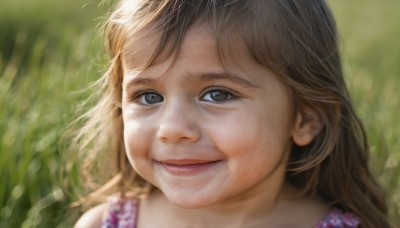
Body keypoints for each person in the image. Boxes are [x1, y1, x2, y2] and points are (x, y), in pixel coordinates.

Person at [73, 0, 390, 227]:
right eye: (149, 96)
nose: (172, 128)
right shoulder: (107, 223)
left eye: (217, 94)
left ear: (306, 118)